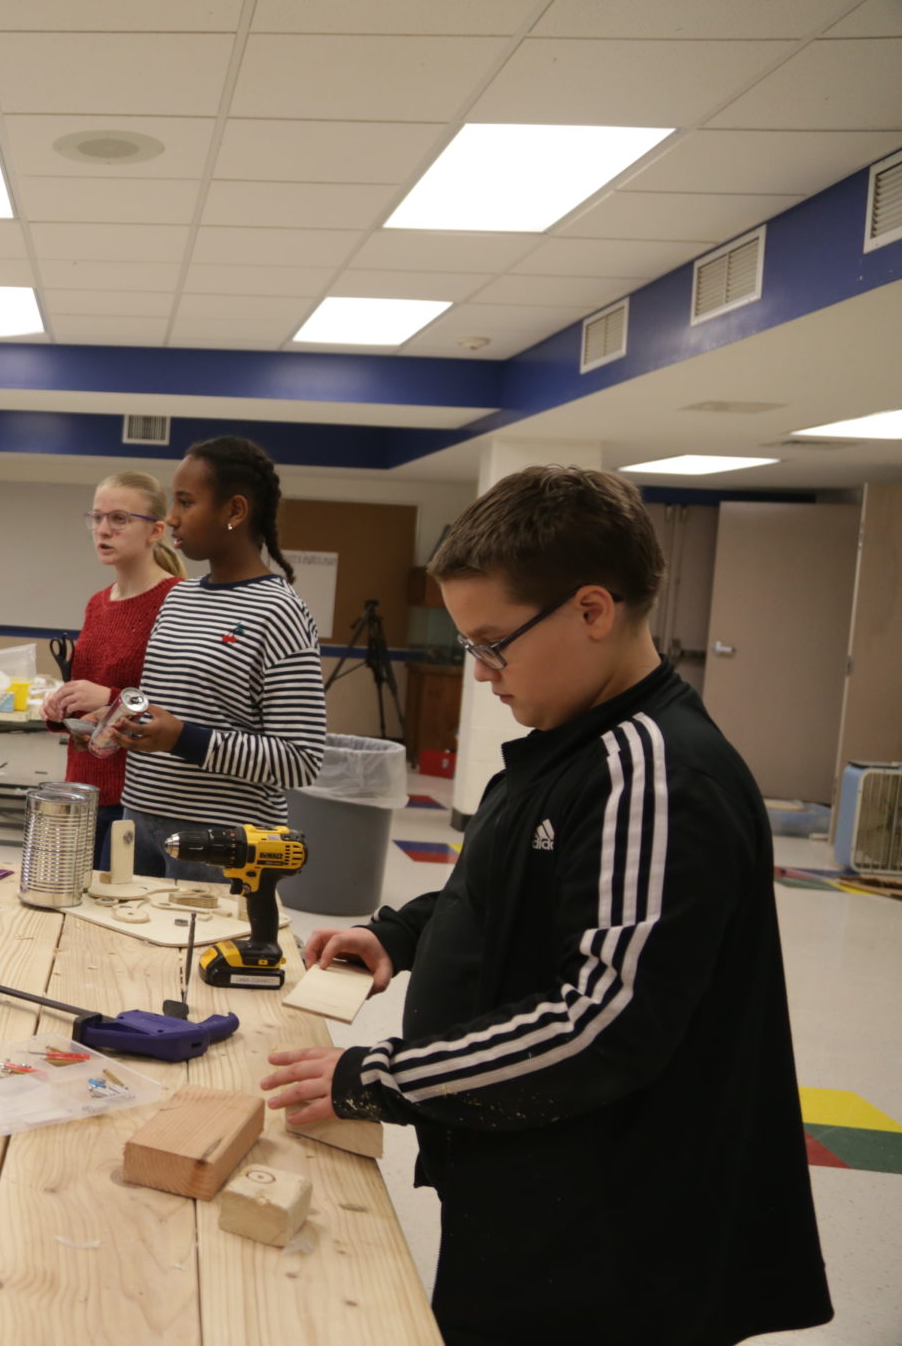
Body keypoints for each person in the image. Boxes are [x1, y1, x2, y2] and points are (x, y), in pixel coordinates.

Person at [261, 467, 831, 1346]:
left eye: (494, 643)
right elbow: (504, 889)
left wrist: (381, 1076)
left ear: (591, 610)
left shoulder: (653, 773)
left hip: (609, 1234)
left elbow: (598, 1025)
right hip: (527, 1180)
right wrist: (400, 934)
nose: (483, 672)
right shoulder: (571, 745)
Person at [101, 436, 326, 878]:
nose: (172, 517)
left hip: (221, 838)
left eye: (186, 501)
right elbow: (172, 706)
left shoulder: (279, 610)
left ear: (235, 511)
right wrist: (117, 720)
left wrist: (184, 738)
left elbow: (301, 758)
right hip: (137, 819)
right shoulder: (178, 597)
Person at [41, 472, 184, 867]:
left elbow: (184, 706)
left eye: (119, 519)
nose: (103, 530)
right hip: (83, 786)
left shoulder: (175, 601)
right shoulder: (97, 603)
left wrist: (107, 698)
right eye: (97, 518)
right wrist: (63, 707)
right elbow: (90, 690)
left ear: (155, 531)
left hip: (136, 796)